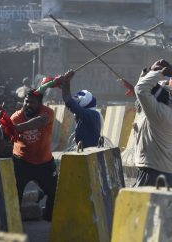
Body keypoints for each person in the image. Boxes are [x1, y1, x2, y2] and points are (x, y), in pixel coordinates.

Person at [8, 89, 56, 221]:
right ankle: (14, 221)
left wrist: (17, 128)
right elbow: (7, 138)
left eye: (32, 102)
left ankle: (49, 218)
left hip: (45, 163)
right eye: (26, 101)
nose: (28, 105)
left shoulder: (47, 113)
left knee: (54, 192)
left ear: (40, 104)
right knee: (14, 194)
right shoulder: (15, 117)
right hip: (21, 162)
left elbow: (40, 122)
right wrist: (5, 129)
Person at [132, 59, 172, 187]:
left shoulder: (161, 114)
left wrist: (160, 73)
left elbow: (141, 89)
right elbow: (141, 91)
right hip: (159, 170)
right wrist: (150, 71)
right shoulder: (158, 108)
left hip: (156, 173)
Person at [60, 70, 102, 148]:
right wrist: (65, 83)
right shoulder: (92, 113)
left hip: (89, 152)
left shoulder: (89, 114)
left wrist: (66, 82)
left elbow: (68, 101)